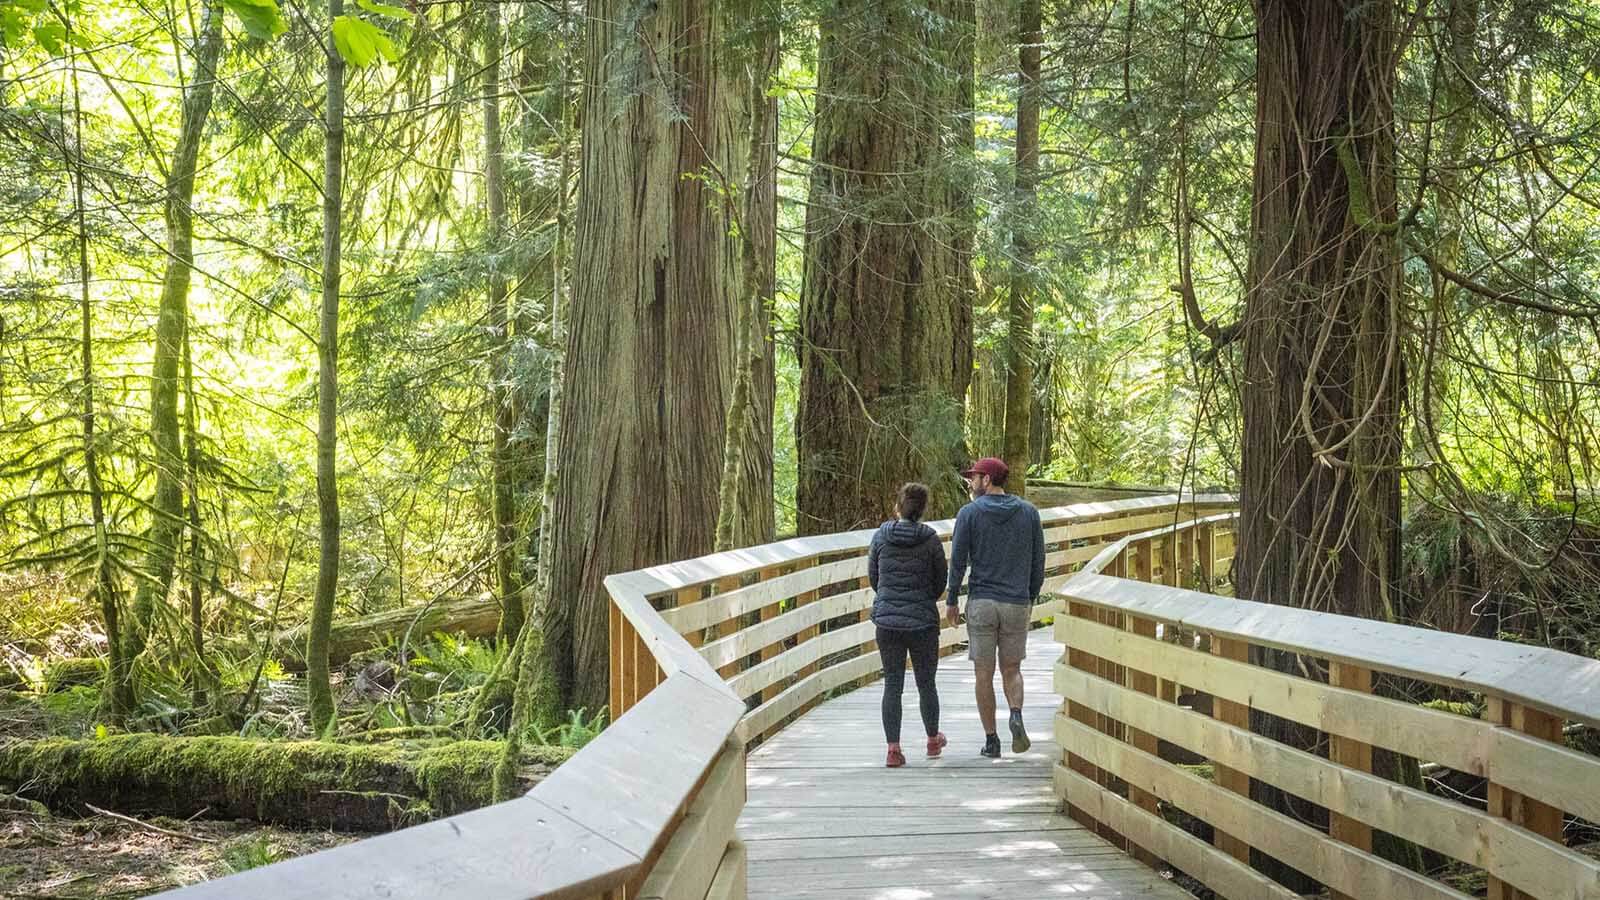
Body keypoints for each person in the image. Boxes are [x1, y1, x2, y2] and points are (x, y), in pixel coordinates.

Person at [944, 457, 1045, 758]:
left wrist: (951, 600)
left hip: (983, 603)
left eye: (974, 478)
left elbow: (958, 560)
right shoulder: (1028, 513)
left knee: (983, 674)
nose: (971, 483)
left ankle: (992, 741)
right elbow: (1038, 561)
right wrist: (1030, 596)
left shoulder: (969, 514)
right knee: (1012, 669)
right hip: (1016, 602)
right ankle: (1015, 714)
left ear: (986, 480)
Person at [867, 482, 949, 768]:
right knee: (926, 683)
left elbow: (874, 578)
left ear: (898, 507)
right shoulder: (931, 540)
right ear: (923, 510)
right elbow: (941, 582)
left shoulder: (880, 537)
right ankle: (931, 740)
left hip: (887, 621)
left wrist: (890, 599)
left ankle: (893, 749)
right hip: (922, 622)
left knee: (893, 683)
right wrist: (923, 598)